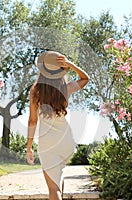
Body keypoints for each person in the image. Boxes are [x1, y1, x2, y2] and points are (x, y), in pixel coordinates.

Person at [26, 51, 90, 200]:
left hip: (48, 144)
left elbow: (32, 121)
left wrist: (29, 147)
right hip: (66, 141)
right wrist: (70, 65)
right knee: (57, 181)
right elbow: (85, 78)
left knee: (53, 188)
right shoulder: (66, 88)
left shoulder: (35, 92)